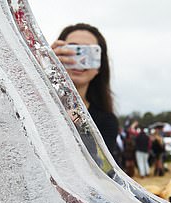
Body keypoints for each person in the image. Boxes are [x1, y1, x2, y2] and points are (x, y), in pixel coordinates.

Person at [51, 23, 120, 165]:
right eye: (73, 50)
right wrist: (40, 67)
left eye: (89, 53)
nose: (80, 60)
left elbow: (100, 168)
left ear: (99, 66)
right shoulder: (34, 104)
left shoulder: (106, 121)